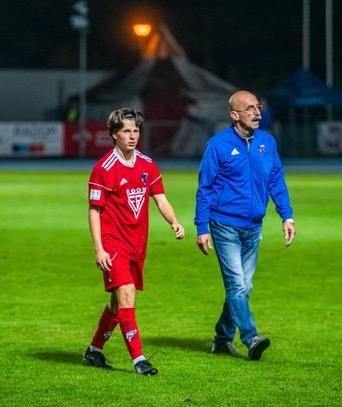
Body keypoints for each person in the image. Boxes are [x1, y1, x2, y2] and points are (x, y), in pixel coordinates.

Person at [83, 107, 185, 375]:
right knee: (127, 296)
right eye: (126, 131)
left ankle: (94, 351)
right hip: (113, 244)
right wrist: (99, 249)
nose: (132, 136)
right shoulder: (104, 169)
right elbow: (94, 211)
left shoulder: (147, 164)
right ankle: (139, 360)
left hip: (137, 245)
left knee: (116, 305)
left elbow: (161, 199)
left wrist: (174, 221)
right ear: (114, 134)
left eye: (136, 131)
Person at [195, 90, 295, 361]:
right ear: (234, 115)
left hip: (254, 227)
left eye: (258, 107)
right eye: (250, 108)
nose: (257, 112)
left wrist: (287, 216)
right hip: (224, 225)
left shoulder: (267, 143)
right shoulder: (217, 145)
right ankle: (251, 337)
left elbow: (276, 180)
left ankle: (222, 339)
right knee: (237, 286)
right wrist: (201, 228)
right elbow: (205, 189)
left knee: (243, 288)